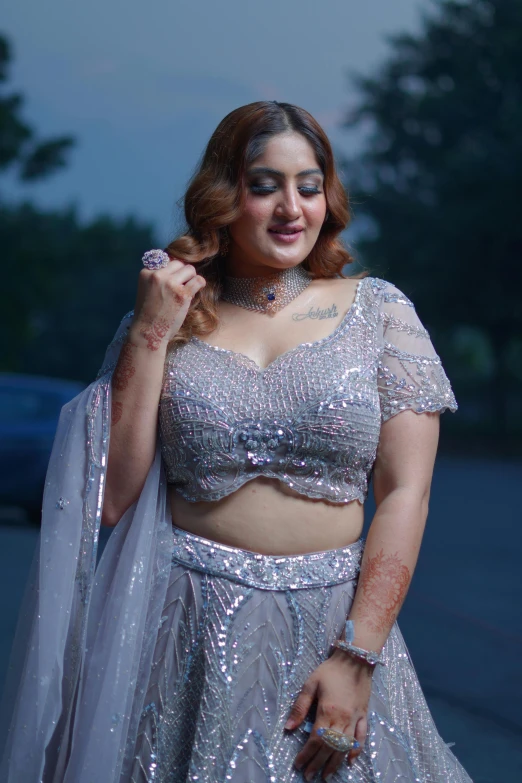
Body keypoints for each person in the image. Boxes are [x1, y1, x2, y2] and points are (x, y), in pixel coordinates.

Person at [0, 101, 473, 783]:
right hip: (181, 633)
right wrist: (149, 333)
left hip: (333, 635)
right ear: (224, 196)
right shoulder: (173, 315)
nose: (291, 207)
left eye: (308, 186)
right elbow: (110, 498)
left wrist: (357, 655)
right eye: (264, 185)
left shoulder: (380, 312)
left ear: (328, 198)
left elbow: (406, 493)